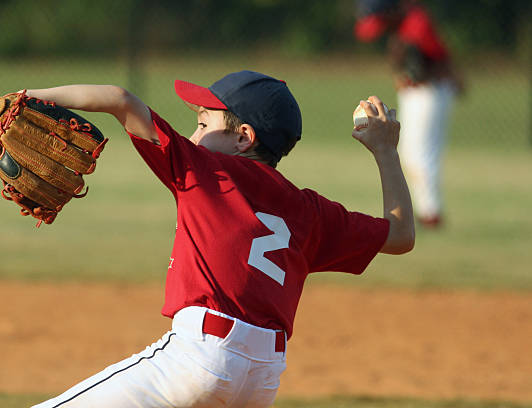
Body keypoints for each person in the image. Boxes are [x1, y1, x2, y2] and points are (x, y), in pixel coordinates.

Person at [26, 70, 414, 408]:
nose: (193, 136)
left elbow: (119, 99)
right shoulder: (310, 211)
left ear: (244, 137)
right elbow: (400, 234)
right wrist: (384, 150)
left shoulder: (204, 170)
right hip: (263, 380)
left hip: (199, 359)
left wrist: (25, 98)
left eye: (203, 122)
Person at [355, 0, 464, 228]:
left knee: (421, 152)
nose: (381, 27)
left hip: (430, 92)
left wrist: (450, 76)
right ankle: (428, 211)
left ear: (391, 11)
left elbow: (439, 56)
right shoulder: (403, 23)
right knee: (410, 151)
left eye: (382, 20)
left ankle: (431, 213)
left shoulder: (417, 24)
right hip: (417, 93)